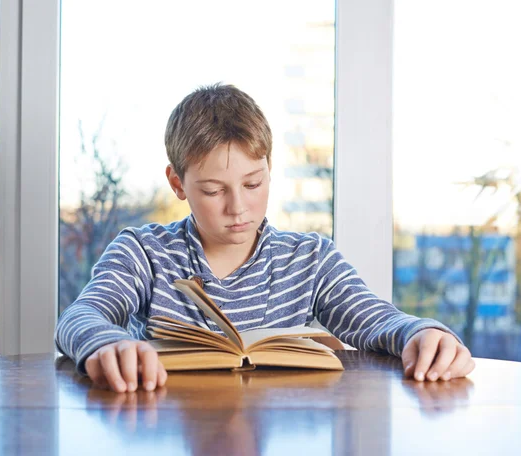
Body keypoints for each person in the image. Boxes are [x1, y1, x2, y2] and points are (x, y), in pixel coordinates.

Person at [55, 83, 475, 393]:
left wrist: (421, 333)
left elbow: (378, 320)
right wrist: (106, 343)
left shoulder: (310, 258)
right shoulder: (143, 252)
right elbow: (79, 317)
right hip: (163, 421)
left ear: (270, 168)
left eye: (253, 184)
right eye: (214, 190)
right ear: (177, 182)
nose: (238, 208)